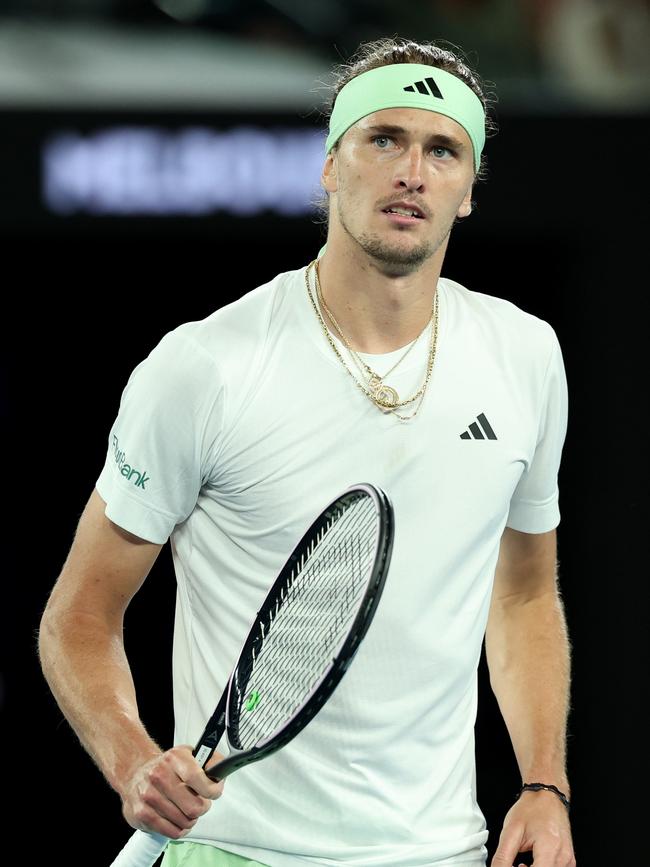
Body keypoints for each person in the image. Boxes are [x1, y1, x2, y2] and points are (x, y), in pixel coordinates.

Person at [38, 36, 576, 867]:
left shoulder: (526, 356)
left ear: (468, 190)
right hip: (236, 850)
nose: (412, 172)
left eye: (443, 150)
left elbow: (524, 597)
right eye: (384, 139)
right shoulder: (206, 366)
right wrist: (131, 759)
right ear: (330, 165)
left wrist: (544, 783)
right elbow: (77, 616)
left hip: (442, 852)